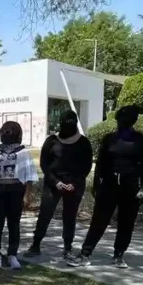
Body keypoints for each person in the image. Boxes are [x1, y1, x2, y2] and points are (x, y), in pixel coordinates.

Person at [67, 106, 143, 269]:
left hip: (131, 187)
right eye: (121, 119)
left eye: (127, 119)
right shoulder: (109, 139)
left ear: (133, 121)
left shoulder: (141, 141)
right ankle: (85, 254)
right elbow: (100, 162)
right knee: (99, 221)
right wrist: (96, 183)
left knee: (126, 222)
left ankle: (119, 255)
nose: (123, 122)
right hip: (109, 184)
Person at [26, 110, 93, 260]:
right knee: (45, 214)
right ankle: (36, 244)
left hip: (74, 185)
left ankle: (67, 248)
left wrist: (73, 183)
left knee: (69, 216)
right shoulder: (51, 141)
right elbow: (44, 163)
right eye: (65, 122)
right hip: (53, 183)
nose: (68, 126)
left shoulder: (83, 142)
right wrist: (56, 182)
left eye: (71, 122)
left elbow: (86, 166)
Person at [0, 121, 37, 269]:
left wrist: (27, 195)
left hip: (16, 190)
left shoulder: (24, 153)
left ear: (17, 133)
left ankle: (12, 254)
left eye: (9, 131)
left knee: (14, 224)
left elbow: (29, 177)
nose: (6, 133)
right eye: (3, 131)